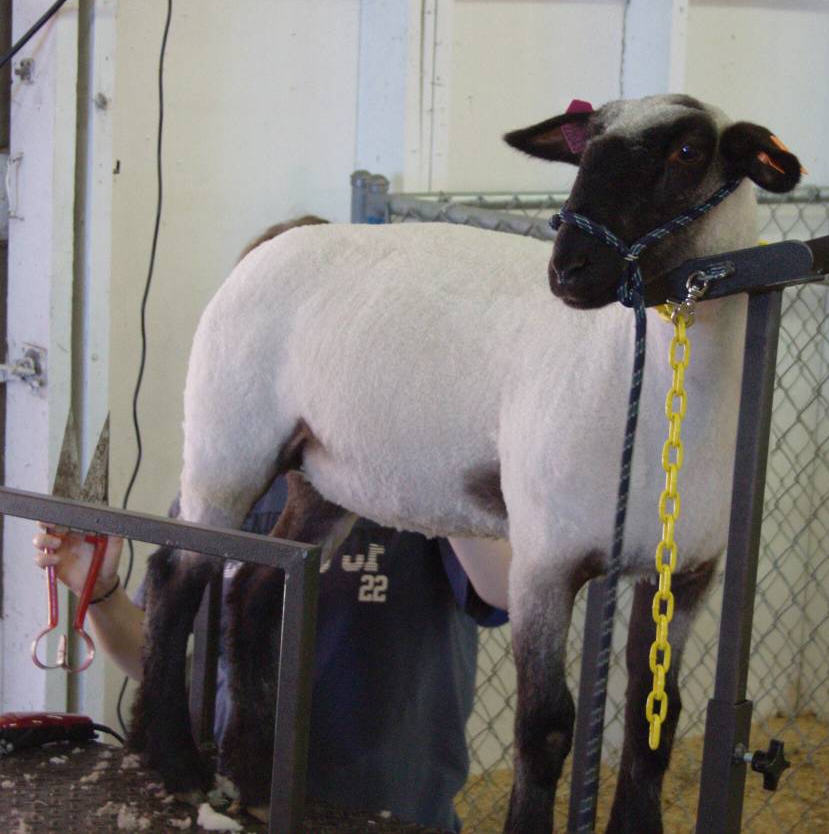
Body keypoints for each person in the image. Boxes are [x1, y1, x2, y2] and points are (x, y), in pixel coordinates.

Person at [33, 218, 513, 832]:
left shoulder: (409, 495)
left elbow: (502, 588)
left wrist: (432, 433)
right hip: (239, 810)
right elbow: (166, 661)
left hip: (383, 813)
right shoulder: (220, 495)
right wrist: (98, 593)